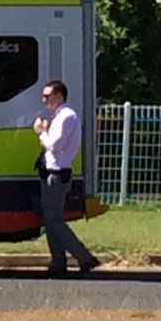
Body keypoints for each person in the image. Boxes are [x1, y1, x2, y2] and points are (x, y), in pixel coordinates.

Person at [33, 80, 101, 276]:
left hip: (57, 174)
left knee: (54, 221)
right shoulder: (60, 116)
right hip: (52, 173)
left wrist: (41, 132)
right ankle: (58, 262)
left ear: (59, 96)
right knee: (51, 220)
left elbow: (55, 145)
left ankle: (84, 257)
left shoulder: (67, 116)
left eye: (48, 96)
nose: (44, 100)